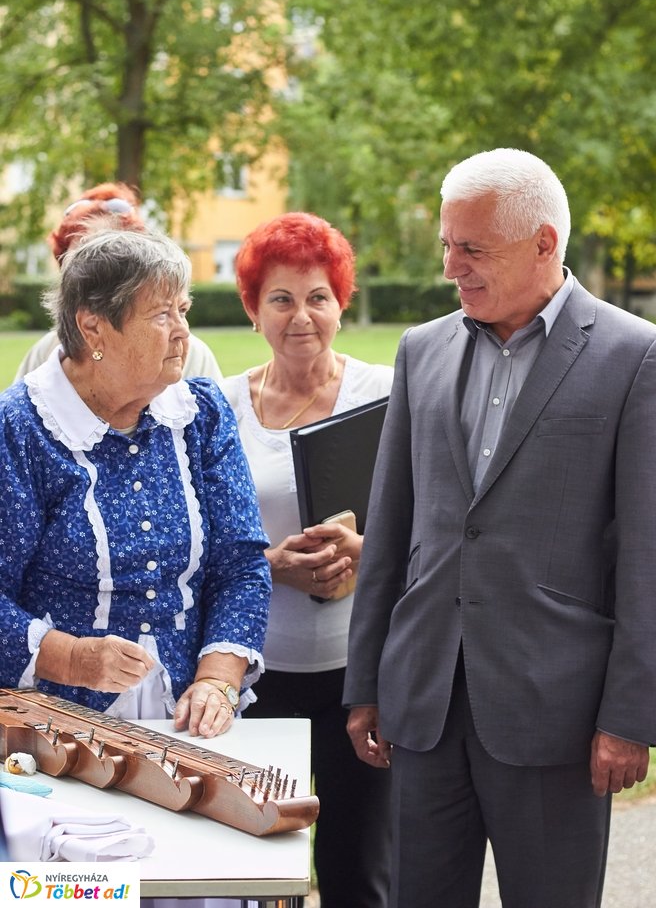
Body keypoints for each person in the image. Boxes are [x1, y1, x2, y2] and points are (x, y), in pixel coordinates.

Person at [343, 148, 656, 908]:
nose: (452, 267)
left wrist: (630, 718)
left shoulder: (637, 357)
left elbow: (652, 559)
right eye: (447, 245)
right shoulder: (420, 350)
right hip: (423, 706)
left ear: (545, 243)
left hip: (555, 714)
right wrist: (366, 682)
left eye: (473, 249)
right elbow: (389, 530)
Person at [0, 226, 271, 739]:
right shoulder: (20, 428)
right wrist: (71, 658)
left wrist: (218, 681)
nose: (182, 333)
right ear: (94, 329)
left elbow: (241, 564)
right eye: (161, 314)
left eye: (183, 311)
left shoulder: (201, 413)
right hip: (56, 730)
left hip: (189, 727)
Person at [220, 212, 393, 908]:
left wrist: (367, 554)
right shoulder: (221, 407)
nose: (301, 316)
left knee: (361, 871)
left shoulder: (387, 392)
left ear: (341, 303)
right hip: (259, 679)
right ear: (253, 310)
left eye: (318, 296)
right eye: (281, 299)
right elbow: (199, 548)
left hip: (364, 676)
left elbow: (435, 530)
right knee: (262, 877)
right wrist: (273, 565)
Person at [14, 182, 223, 385]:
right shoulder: (47, 353)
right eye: (79, 258)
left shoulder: (188, 355)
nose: (94, 270)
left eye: (111, 257)